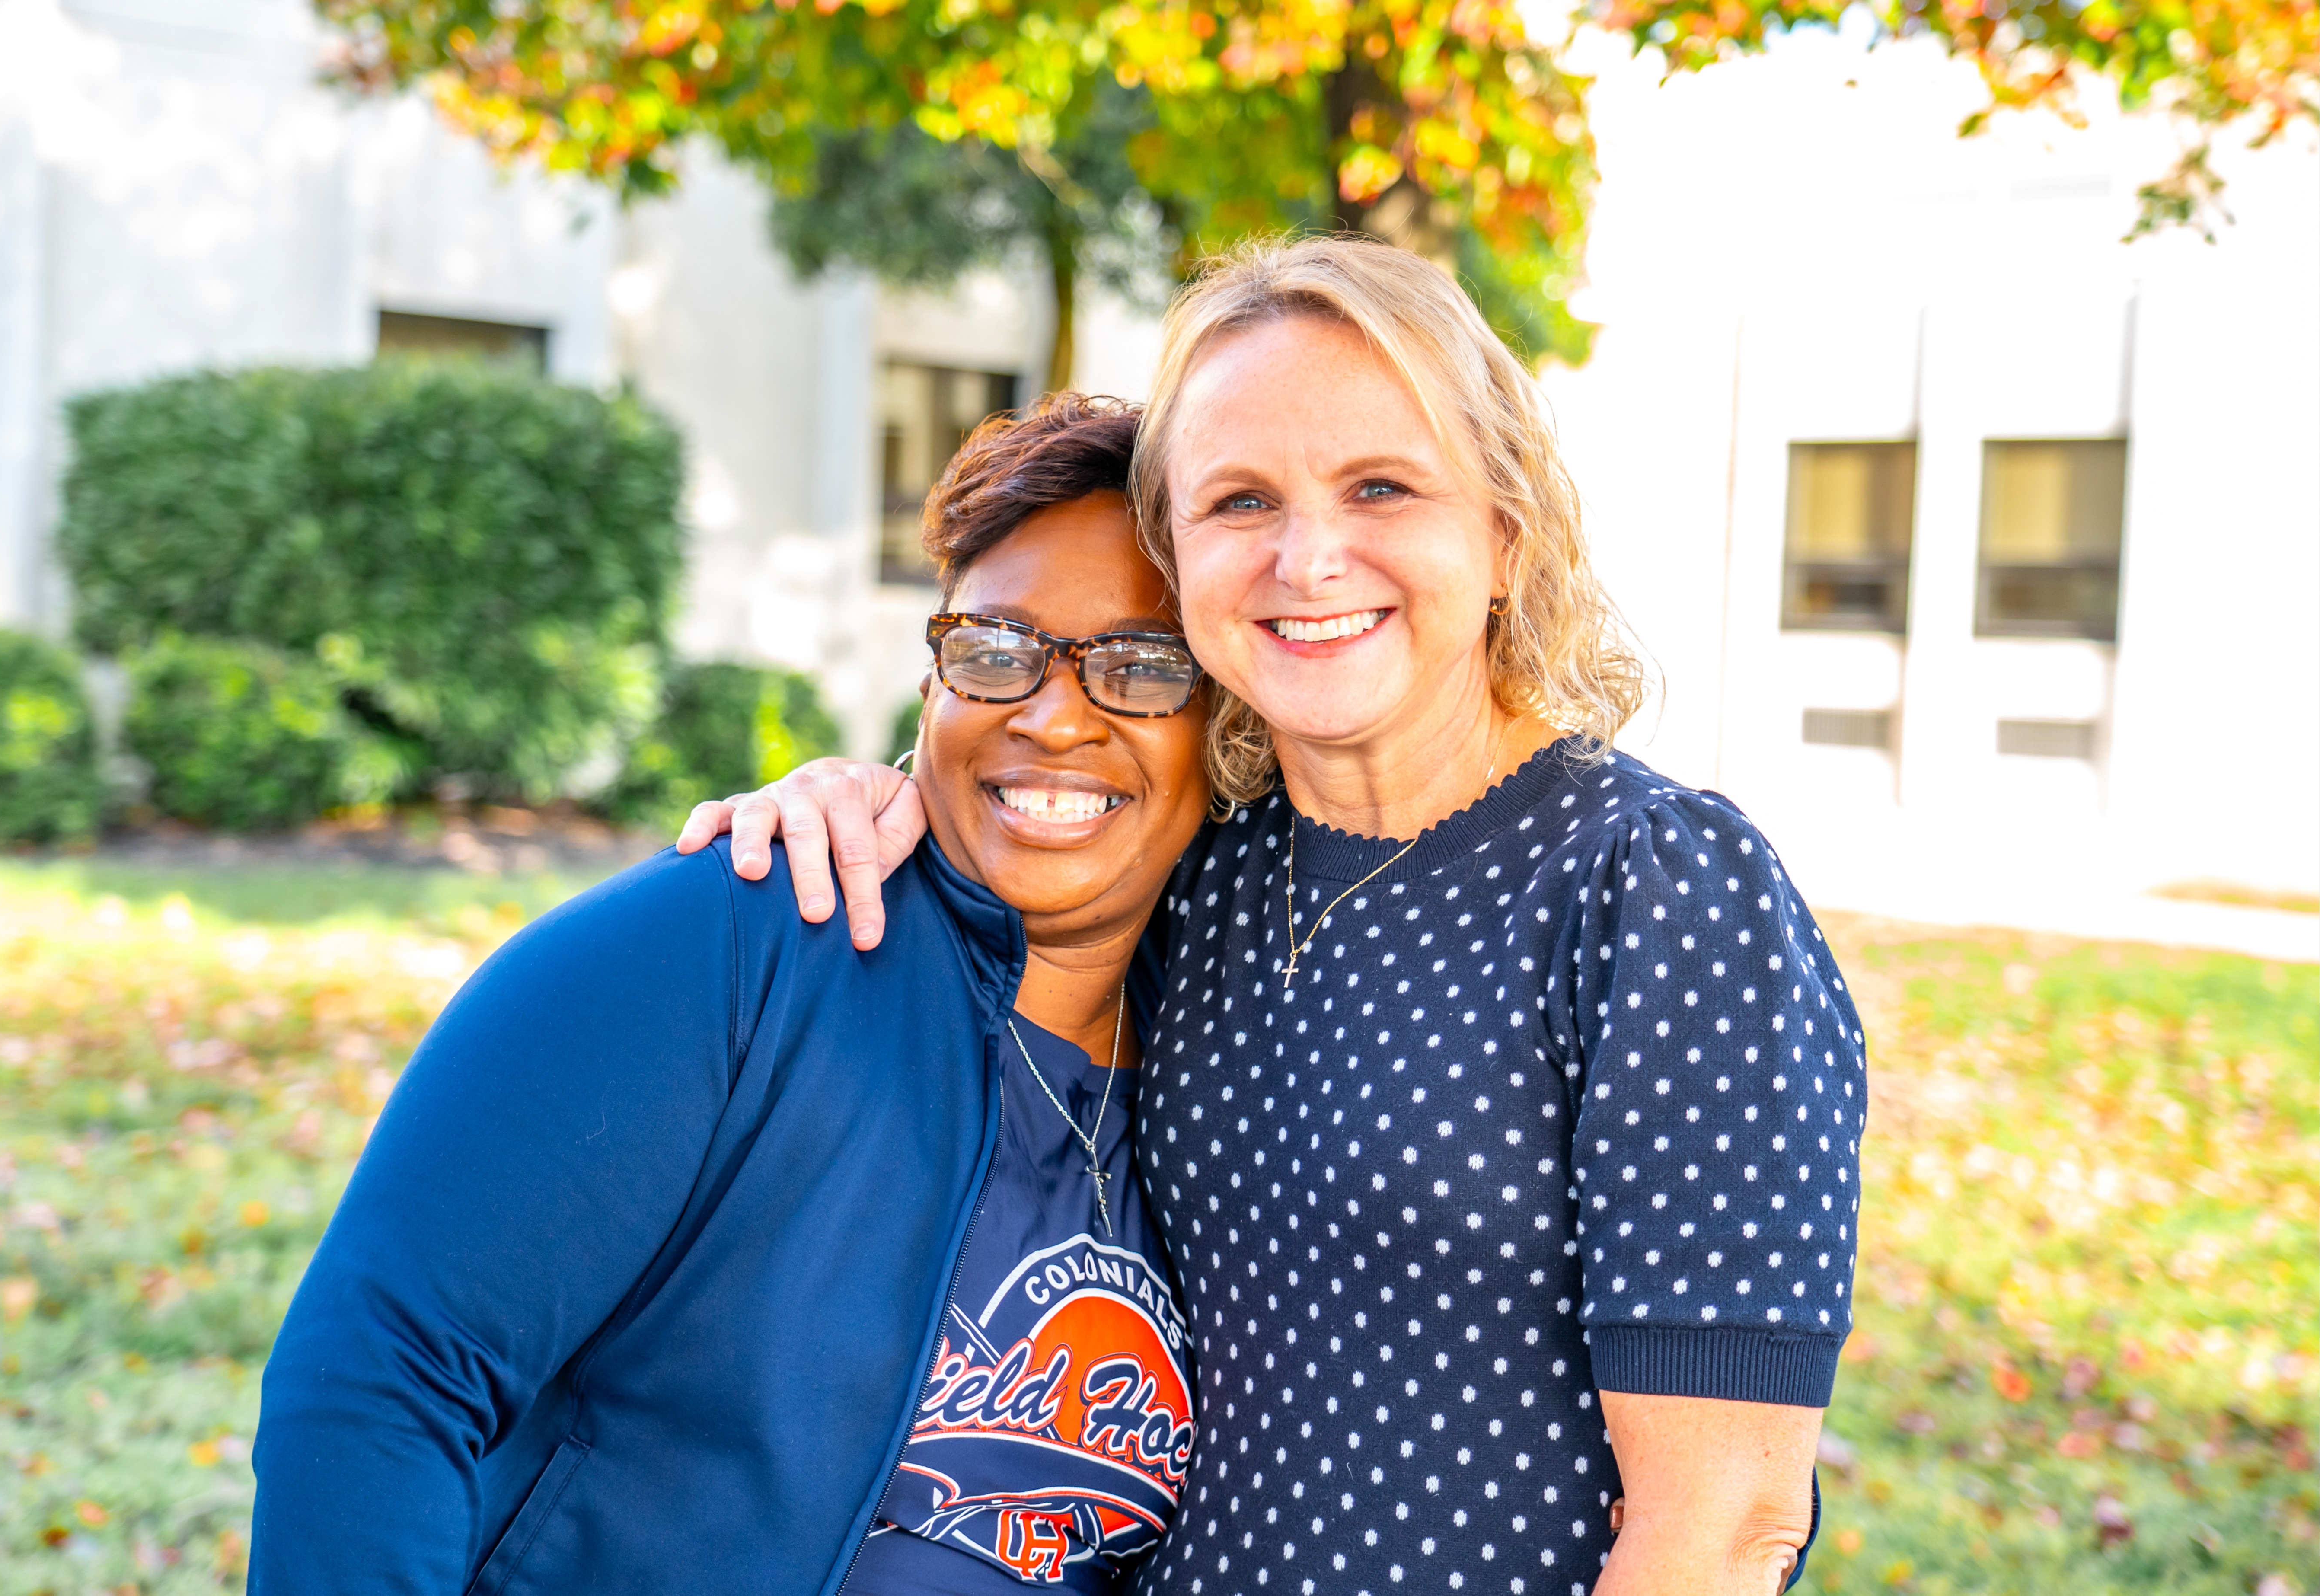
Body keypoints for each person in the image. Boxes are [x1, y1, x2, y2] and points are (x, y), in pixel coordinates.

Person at [676, 236, 1867, 1596]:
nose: (1308, 558)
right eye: (1239, 501)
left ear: (1502, 531)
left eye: (1380, 486)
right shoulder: (1206, 880)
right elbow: (1005, 825)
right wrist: (854, 794)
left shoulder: (1654, 891)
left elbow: (1724, 1531)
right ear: (1177, 561)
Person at [250, 396, 1217, 1595]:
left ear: (1225, 721)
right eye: (995, 648)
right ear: (931, 686)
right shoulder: (738, 935)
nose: (1053, 712)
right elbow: (377, 1378)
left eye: (1140, 667)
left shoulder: (1233, 1058)